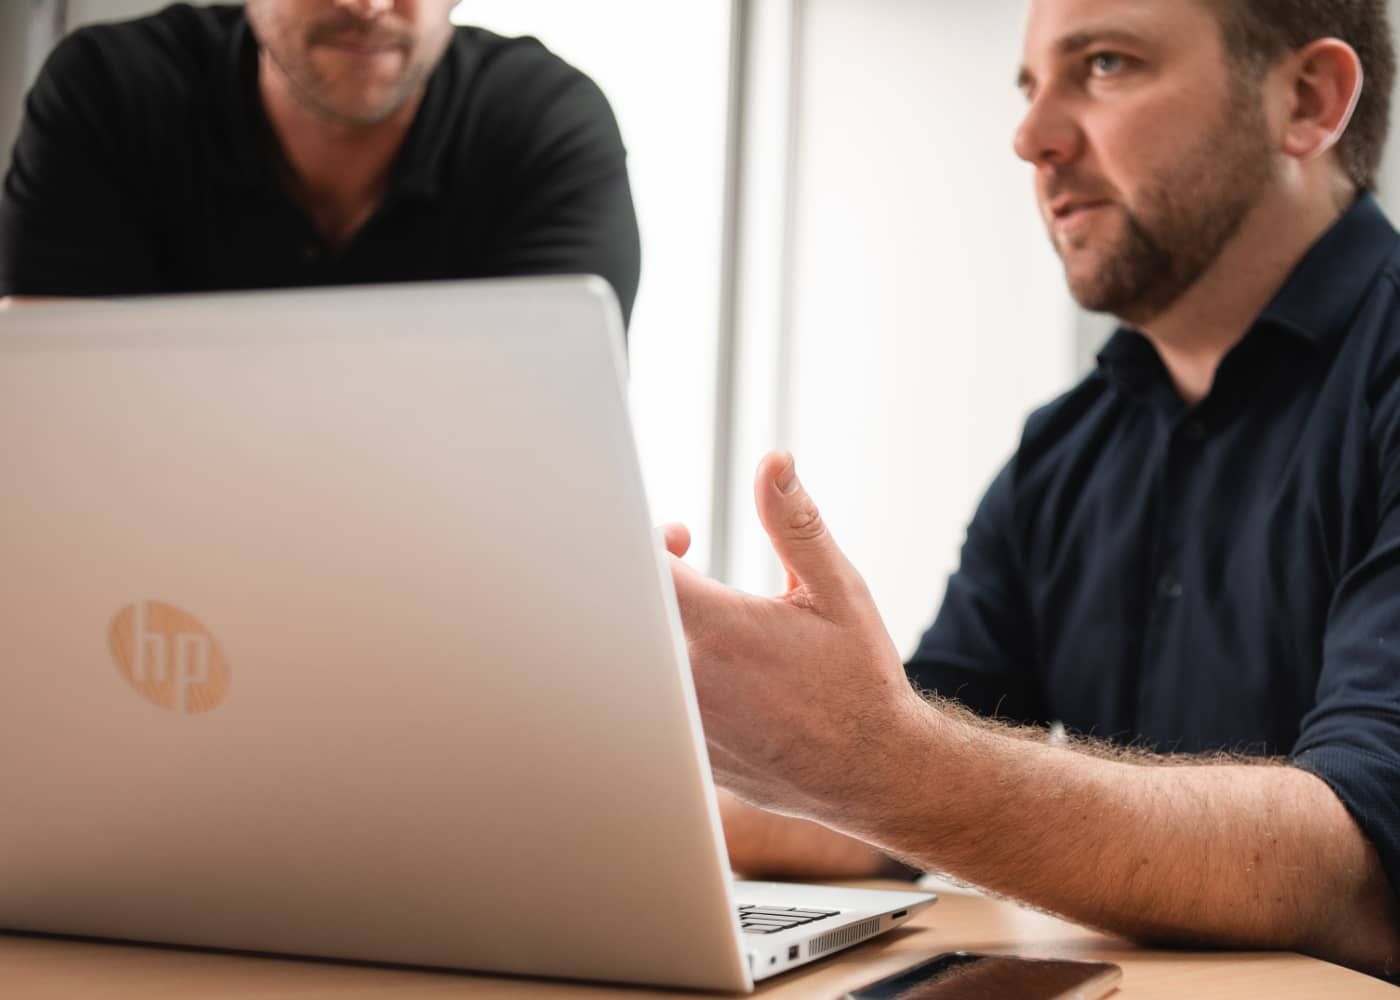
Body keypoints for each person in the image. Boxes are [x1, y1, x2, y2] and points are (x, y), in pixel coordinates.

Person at [663, 0, 1400, 979]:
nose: (1029, 138)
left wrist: (878, 758)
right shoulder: (1060, 450)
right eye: (1027, 86)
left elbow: (1353, 867)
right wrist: (663, 763)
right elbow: (897, 793)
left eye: (1101, 65)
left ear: (1304, 101)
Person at [0, 0, 639, 324]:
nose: (366, 3)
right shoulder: (110, 96)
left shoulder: (545, 127)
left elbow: (541, 450)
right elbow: (58, 431)